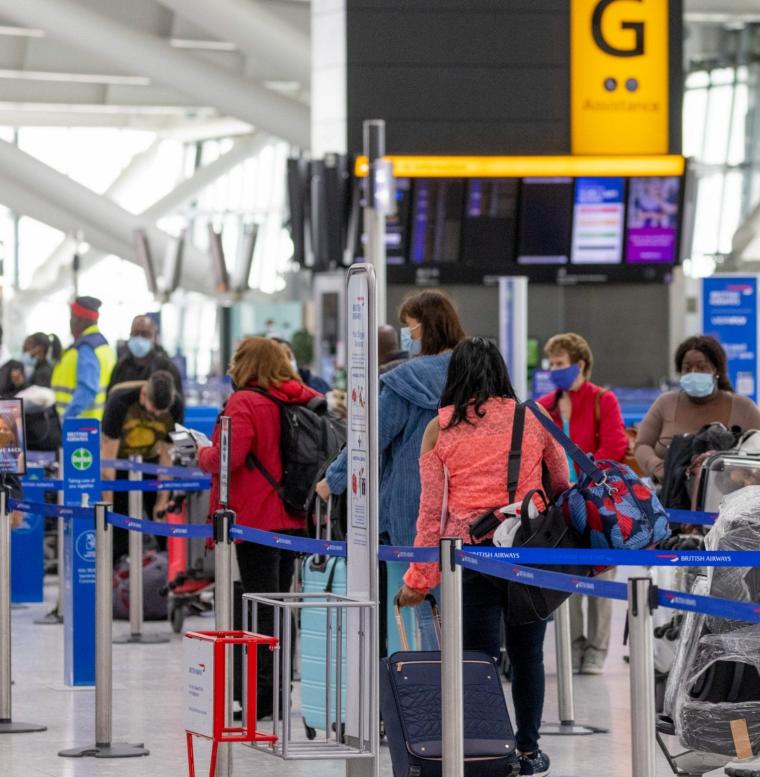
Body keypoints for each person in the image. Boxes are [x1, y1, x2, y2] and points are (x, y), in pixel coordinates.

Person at [396, 337, 570, 777]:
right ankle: (528, 752)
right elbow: (562, 481)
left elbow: (430, 514)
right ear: (501, 372)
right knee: (529, 655)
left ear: (456, 375)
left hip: (469, 559)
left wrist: (420, 578)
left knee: (478, 658)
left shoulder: (440, 428)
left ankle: (485, 751)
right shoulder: (533, 417)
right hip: (527, 552)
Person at [317, 290, 465, 655]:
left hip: (411, 506)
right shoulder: (473, 373)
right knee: (459, 604)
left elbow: (369, 441)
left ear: (425, 328)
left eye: (409, 328)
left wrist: (332, 480)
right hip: (469, 502)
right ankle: (461, 692)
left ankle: (430, 696)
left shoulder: (406, 380)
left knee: (420, 602)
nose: (406, 336)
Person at [197, 337, 323, 719]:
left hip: (255, 521)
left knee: (258, 608)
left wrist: (200, 452)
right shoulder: (297, 400)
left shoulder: (245, 403)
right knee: (281, 605)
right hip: (292, 517)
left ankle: (260, 700)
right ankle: (277, 695)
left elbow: (227, 458)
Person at [536, 332, 627, 675]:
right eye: (552, 364)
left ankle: (596, 649)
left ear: (581, 364)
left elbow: (615, 446)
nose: (554, 370)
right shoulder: (545, 405)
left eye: (560, 364)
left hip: (598, 502)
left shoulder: (604, 400)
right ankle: (572, 645)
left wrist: (585, 477)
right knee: (569, 576)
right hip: (561, 503)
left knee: (602, 576)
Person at [635, 335, 760, 481]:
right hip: (668, 496)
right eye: (687, 368)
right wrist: (656, 466)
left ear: (716, 370)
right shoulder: (665, 403)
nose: (694, 372)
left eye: (701, 367)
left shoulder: (744, 408)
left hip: (729, 497)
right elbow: (642, 445)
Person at [102, 370, 182, 559]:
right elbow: (108, 459)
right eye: (153, 410)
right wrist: (108, 505)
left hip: (152, 463)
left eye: (161, 413)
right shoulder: (119, 401)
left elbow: (167, 455)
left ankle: (167, 572)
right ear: (143, 394)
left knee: (162, 524)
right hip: (119, 464)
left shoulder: (176, 404)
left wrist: (162, 501)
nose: (156, 415)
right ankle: (117, 571)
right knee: (119, 528)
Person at [52, 296, 116, 420]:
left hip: (80, 428)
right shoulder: (103, 346)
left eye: (72, 317)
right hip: (95, 425)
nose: (70, 322)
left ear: (81, 320)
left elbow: (87, 389)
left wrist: (67, 417)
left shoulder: (86, 348)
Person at [109, 315, 184, 401]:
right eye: (135, 333)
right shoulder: (121, 367)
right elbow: (111, 399)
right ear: (130, 335)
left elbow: (178, 405)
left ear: (154, 337)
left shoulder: (167, 368)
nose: (139, 338)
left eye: (145, 334)